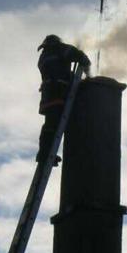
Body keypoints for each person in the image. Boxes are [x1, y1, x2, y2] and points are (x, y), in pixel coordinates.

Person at [36, 35, 91, 166]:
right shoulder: (60, 49)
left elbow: (55, 70)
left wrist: (70, 75)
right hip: (59, 94)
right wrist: (88, 74)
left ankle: (44, 153)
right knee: (58, 125)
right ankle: (47, 154)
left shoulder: (43, 57)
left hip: (47, 97)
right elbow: (81, 57)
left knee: (49, 126)